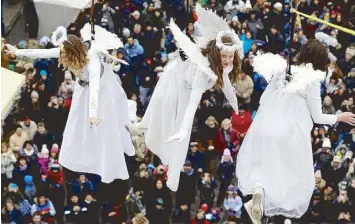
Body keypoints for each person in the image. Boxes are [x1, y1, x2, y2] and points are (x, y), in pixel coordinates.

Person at [236, 40, 355, 223]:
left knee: (264, 166)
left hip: (266, 127)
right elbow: (318, 117)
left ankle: (259, 191)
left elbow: (263, 98)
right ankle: (266, 201)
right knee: (291, 175)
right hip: (289, 133)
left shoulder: (284, 70)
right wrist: (338, 117)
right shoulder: (312, 80)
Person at [127, 4, 242, 191]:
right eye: (224, 56)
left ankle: (163, 158)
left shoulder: (224, 66)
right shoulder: (203, 72)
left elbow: (227, 84)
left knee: (176, 130)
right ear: (216, 54)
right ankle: (147, 138)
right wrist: (184, 127)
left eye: (230, 56)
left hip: (184, 86)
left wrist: (236, 107)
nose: (228, 60)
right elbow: (193, 104)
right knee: (179, 131)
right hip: (177, 82)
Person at [6, 24, 135, 183]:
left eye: (65, 56)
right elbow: (44, 53)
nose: (63, 59)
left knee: (102, 127)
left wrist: (93, 113)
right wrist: (17, 52)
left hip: (99, 93)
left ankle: (105, 158)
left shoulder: (92, 62)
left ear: (73, 53)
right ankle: (78, 156)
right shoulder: (67, 51)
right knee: (76, 125)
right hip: (82, 90)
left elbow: (94, 88)